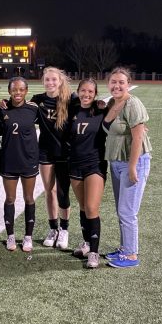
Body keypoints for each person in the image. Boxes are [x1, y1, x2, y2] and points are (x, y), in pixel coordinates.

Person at [103, 67, 152, 268]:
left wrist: (133, 167)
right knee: (121, 209)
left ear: (128, 84)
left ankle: (131, 255)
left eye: (121, 82)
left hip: (134, 161)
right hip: (116, 161)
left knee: (127, 211)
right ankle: (124, 248)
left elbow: (138, 138)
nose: (117, 85)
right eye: (113, 82)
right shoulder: (112, 103)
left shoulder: (133, 103)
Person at [31, 66, 76, 250]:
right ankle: (53, 229)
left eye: (53, 79)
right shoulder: (38, 100)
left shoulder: (71, 99)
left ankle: (64, 229)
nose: (50, 82)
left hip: (65, 152)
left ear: (60, 81)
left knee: (63, 192)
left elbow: (89, 109)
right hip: (45, 151)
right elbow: (21, 111)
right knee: (50, 191)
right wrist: (5, 104)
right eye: (47, 79)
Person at [68, 78, 107, 268]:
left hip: (94, 164)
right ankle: (86, 244)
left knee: (92, 207)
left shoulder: (101, 110)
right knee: (83, 207)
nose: (87, 94)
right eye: (83, 91)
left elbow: (119, 116)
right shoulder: (72, 110)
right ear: (78, 91)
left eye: (91, 92)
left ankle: (94, 252)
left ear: (95, 93)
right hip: (75, 164)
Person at [0, 77, 39, 252]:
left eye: (21, 89)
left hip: (28, 160)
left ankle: (28, 236)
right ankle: (11, 236)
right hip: (9, 160)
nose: (18, 93)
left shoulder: (33, 110)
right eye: (14, 89)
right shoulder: (2, 110)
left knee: (29, 198)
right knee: (10, 198)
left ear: (26, 91)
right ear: (9, 91)